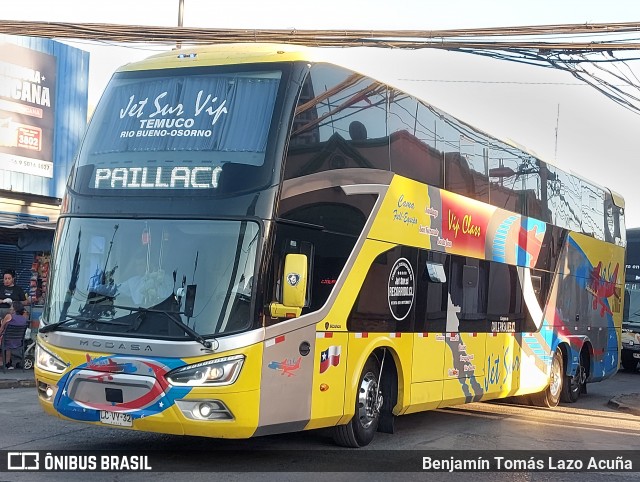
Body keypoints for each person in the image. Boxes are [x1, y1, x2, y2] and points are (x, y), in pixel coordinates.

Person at [0, 300, 28, 369]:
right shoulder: (24, 318)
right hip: (18, 342)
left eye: (11, 307)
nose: (10, 308)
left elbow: (1, 329)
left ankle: (4, 362)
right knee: (8, 338)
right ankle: (8, 363)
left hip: (6, 341)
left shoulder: (9, 316)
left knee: (5, 338)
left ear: (15, 309)